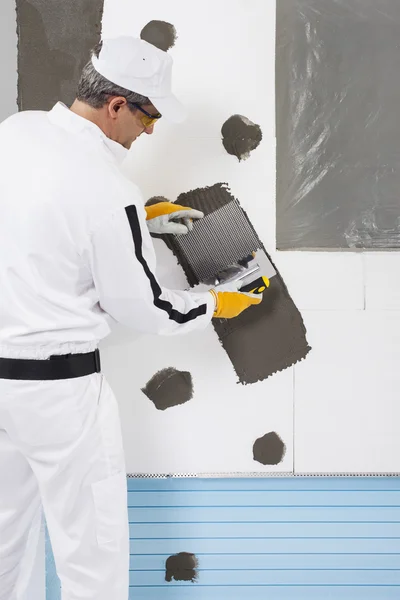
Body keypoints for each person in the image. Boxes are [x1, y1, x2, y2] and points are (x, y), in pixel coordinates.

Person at [0, 37, 262, 600]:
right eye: (150, 116)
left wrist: (140, 221)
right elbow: (145, 306)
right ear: (117, 104)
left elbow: (39, 220)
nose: (150, 132)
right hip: (60, 398)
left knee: (4, 548)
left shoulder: (14, 133)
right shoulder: (106, 187)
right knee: (92, 556)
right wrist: (219, 301)